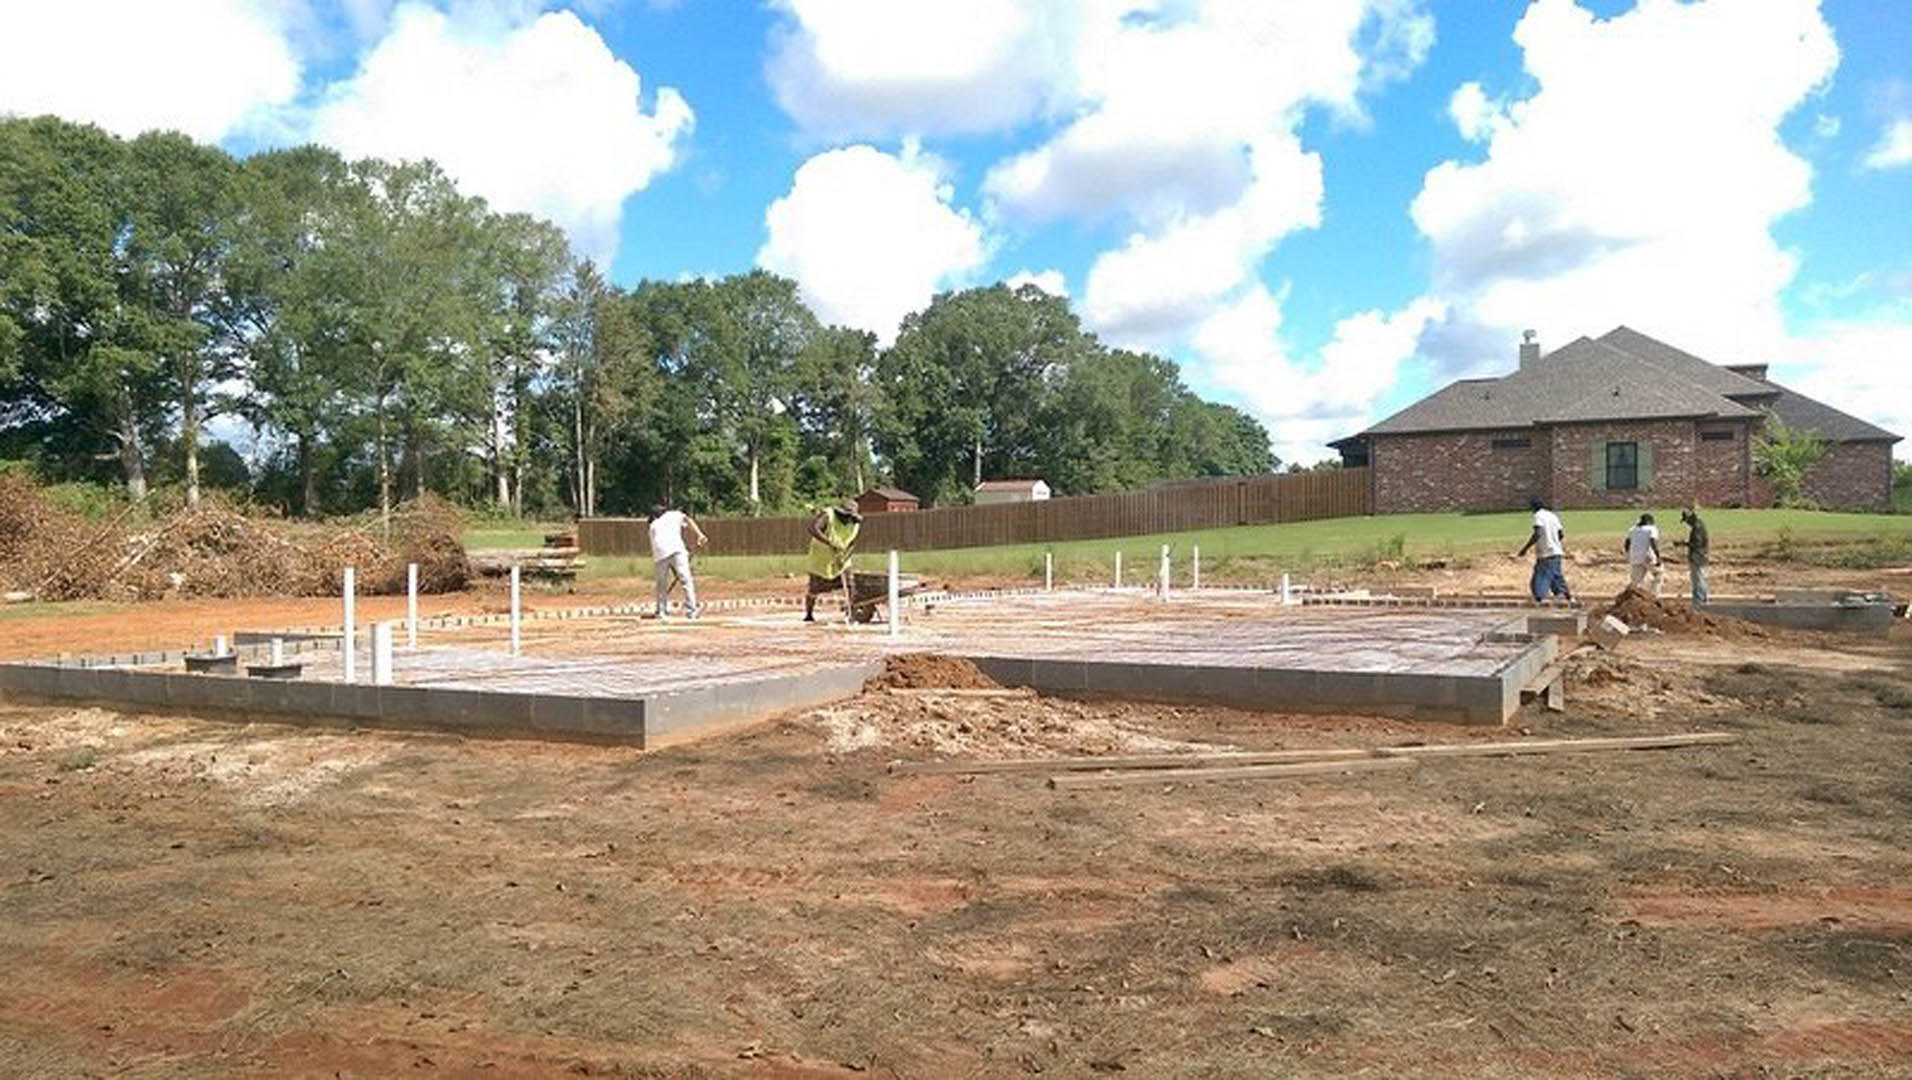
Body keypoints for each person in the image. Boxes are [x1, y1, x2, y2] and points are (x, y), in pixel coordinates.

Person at [802, 501, 862, 623]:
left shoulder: (855, 524)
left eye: (849, 517)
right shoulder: (828, 515)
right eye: (844, 516)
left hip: (841, 558)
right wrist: (829, 542)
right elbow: (813, 528)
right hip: (821, 557)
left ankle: (851, 613)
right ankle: (809, 614)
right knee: (814, 588)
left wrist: (845, 557)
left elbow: (852, 544)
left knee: (849, 584)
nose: (846, 519)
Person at [648, 502, 707, 619]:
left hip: (662, 554)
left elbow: (655, 546)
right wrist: (699, 534)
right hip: (676, 551)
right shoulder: (673, 515)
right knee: (686, 580)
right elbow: (688, 520)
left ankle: (661, 611)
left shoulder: (653, 525)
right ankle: (692, 610)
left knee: (661, 584)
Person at [1516, 496, 1572, 602]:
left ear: (1533, 507)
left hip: (1546, 553)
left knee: (1540, 577)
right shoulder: (1552, 515)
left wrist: (1525, 548)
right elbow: (1561, 534)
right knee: (1556, 575)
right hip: (1557, 551)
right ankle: (1565, 596)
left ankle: (1540, 599)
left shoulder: (1538, 516)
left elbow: (1538, 533)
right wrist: (1554, 541)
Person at [1623, 512, 1664, 598]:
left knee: (1636, 580)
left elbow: (1627, 544)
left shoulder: (1632, 529)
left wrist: (1629, 554)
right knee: (1658, 574)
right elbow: (1653, 542)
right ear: (1649, 521)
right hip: (1648, 556)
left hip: (1635, 557)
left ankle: (1633, 598)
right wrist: (1658, 557)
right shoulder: (1651, 529)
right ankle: (1654, 595)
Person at [1680, 506, 1710, 606]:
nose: (1687, 524)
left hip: (1698, 556)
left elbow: (1697, 543)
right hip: (1702, 555)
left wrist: (1684, 544)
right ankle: (1702, 599)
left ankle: (1699, 600)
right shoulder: (1699, 525)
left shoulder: (1697, 527)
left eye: (1686, 520)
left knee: (1698, 579)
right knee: (1701, 578)